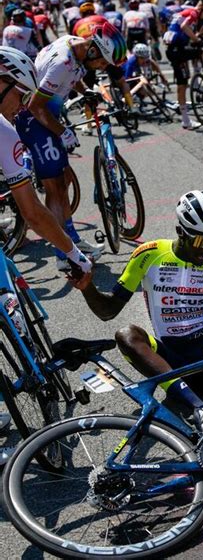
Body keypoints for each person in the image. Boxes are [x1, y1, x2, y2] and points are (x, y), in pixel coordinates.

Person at [72, 190, 203, 430]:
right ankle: (198, 407)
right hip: (170, 362)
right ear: (180, 232)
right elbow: (108, 311)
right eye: (199, 240)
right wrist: (87, 288)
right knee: (126, 334)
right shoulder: (149, 255)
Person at [0, 46, 92, 464]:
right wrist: (73, 252)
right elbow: (34, 214)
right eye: (19, 93)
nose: (23, 104)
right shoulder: (4, 130)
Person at [15, 23, 127, 271]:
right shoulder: (61, 63)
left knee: (64, 182)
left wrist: (85, 90)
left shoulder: (73, 43)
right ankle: (63, 254)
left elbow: (74, 75)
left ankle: (71, 241)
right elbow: (36, 107)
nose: (103, 68)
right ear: (93, 50)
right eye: (102, 62)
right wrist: (63, 132)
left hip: (46, 117)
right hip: (34, 120)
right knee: (55, 188)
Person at [164, 0, 203, 130]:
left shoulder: (189, 13)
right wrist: (197, 39)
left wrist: (197, 35)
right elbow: (184, 26)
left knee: (183, 84)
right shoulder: (194, 12)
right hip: (177, 50)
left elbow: (184, 31)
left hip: (175, 48)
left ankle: (200, 75)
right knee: (202, 51)